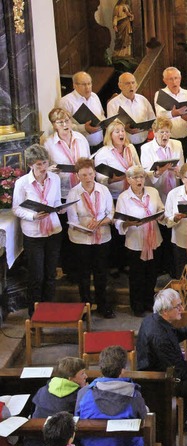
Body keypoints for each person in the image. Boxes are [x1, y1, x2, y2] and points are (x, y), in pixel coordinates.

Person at [137, 288, 187, 442]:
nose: (182, 309)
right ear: (166, 310)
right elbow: (176, 370)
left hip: (170, 367)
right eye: (178, 306)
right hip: (160, 379)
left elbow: (177, 335)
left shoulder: (157, 320)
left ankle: (179, 420)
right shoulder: (158, 336)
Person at [12, 145, 63, 313]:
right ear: (31, 165)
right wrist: (33, 216)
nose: (43, 168)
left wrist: (60, 208)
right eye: (38, 165)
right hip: (34, 233)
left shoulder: (54, 179)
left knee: (50, 275)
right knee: (36, 276)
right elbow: (17, 209)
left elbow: (56, 201)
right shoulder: (22, 183)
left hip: (53, 231)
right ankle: (34, 314)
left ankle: (48, 311)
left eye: (45, 163)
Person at [43, 108, 91, 281]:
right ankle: (71, 270)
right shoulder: (48, 144)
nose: (64, 124)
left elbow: (88, 161)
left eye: (67, 120)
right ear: (54, 125)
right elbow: (45, 169)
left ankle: (85, 267)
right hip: (63, 191)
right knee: (68, 229)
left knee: (84, 226)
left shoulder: (81, 138)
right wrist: (52, 170)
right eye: (59, 122)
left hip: (82, 189)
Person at [75, 346, 147, 446]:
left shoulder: (84, 393)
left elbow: (77, 419)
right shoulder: (134, 395)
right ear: (123, 370)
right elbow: (144, 418)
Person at [66, 158, 114, 318]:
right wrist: (85, 227)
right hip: (81, 238)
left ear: (94, 173)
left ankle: (103, 305)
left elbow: (111, 213)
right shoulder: (73, 193)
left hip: (102, 236)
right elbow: (72, 219)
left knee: (101, 273)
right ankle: (85, 306)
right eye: (83, 175)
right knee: (84, 274)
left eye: (90, 174)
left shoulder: (103, 190)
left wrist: (100, 222)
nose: (88, 178)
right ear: (78, 175)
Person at [114, 166, 164, 317]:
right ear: (128, 180)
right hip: (135, 242)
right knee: (137, 277)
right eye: (135, 178)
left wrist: (161, 216)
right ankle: (137, 306)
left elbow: (161, 209)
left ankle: (149, 302)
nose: (139, 180)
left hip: (154, 239)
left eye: (141, 177)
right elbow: (118, 221)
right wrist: (128, 223)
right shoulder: (123, 197)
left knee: (152, 275)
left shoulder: (153, 192)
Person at [25, 357, 88, 446]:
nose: (86, 376)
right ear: (70, 379)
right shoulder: (79, 396)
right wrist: (85, 390)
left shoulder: (43, 389)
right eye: (82, 373)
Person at [93, 119, 143, 200]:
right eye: (117, 131)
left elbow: (139, 167)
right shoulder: (102, 153)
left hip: (133, 193)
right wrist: (111, 180)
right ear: (110, 135)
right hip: (114, 196)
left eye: (123, 131)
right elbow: (100, 180)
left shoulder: (131, 147)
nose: (121, 133)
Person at [58, 71, 106, 153]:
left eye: (89, 83)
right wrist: (84, 128)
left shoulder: (94, 96)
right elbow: (63, 127)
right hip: (80, 148)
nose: (87, 87)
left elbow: (102, 115)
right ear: (74, 85)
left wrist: (104, 122)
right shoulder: (66, 101)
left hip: (100, 144)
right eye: (83, 84)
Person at [154, 66, 187, 155]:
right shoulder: (160, 94)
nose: (174, 82)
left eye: (176, 78)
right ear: (165, 80)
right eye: (170, 79)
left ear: (180, 78)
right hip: (169, 139)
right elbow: (159, 116)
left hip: (186, 137)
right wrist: (172, 114)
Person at [140, 116, 185, 203]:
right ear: (154, 133)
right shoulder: (146, 148)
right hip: (156, 190)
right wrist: (158, 173)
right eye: (162, 132)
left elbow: (182, 169)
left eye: (167, 132)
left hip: (175, 188)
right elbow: (146, 174)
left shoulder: (177, 144)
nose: (165, 135)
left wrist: (179, 173)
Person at [106, 72, 155, 150]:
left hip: (144, 143)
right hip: (124, 146)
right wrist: (124, 129)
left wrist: (149, 126)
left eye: (133, 83)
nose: (131, 86)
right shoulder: (113, 104)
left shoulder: (143, 99)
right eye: (127, 83)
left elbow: (153, 119)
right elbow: (110, 128)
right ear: (120, 86)